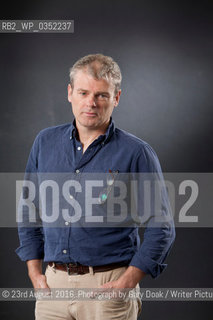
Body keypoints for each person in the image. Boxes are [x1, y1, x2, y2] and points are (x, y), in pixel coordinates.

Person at [16, 53, 175, 320]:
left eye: (102, 95)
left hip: (108, 290)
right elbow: (28, 208)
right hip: (52, 290)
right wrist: (34, 273)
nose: (91, 102)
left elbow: (162, 226)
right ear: (70, 93)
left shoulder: (136, 153)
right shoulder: (45, 143)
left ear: (116, 98)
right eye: (83, 92)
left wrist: (127, 282)